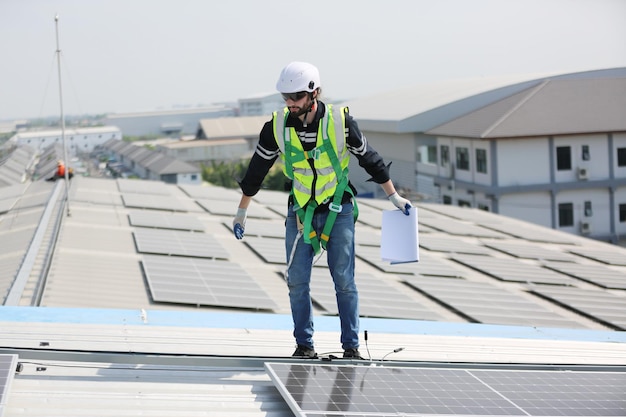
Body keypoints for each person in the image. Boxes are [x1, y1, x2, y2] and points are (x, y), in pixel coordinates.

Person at [233, 62, 412, 359]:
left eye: (296, 96)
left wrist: (394, 197)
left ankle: (351, 348)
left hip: (337, 209)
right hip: (300, 211)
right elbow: (257, 170)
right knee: (296, 281)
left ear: (314, 93)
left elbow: (371, 159)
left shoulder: (340, 123)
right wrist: (242, 211)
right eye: (286, 97)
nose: (290, 103)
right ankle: (304, 346)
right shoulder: (277, 126)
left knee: (343, 279)